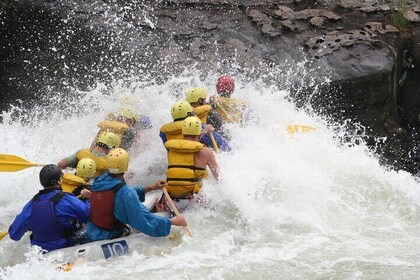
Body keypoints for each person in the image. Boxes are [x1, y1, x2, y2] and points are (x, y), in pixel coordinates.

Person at [86, 148, 187, 241]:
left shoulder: (99, 181)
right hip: (110, 234)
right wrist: (172, 222)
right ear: (125, 166)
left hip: (92, 230)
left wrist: (152, 187)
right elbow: (144, 220)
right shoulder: (125, 192)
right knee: (161, 216)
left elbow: (121, 192)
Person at [8, 164, 90, 252]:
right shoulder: (67, 199)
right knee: (89, 228)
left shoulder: (31, 205)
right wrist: (89, 199)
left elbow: (14, 234)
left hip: (40, 254)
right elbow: (89, 215)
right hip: (65, 249)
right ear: (58, 181)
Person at [158, 116, 219, 214]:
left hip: (171, 201)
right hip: (194, 202)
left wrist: (204, 131)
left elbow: (189, 142)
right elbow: (218, 176)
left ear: (183, 132)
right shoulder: (206, 152)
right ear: (198, 133)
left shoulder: (171, 149)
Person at [160, 100, 231, 152]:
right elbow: (223, 145)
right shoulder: (198, 126)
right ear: (188, 114)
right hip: (197, 165)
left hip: (175, 167)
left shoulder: (164, 132)